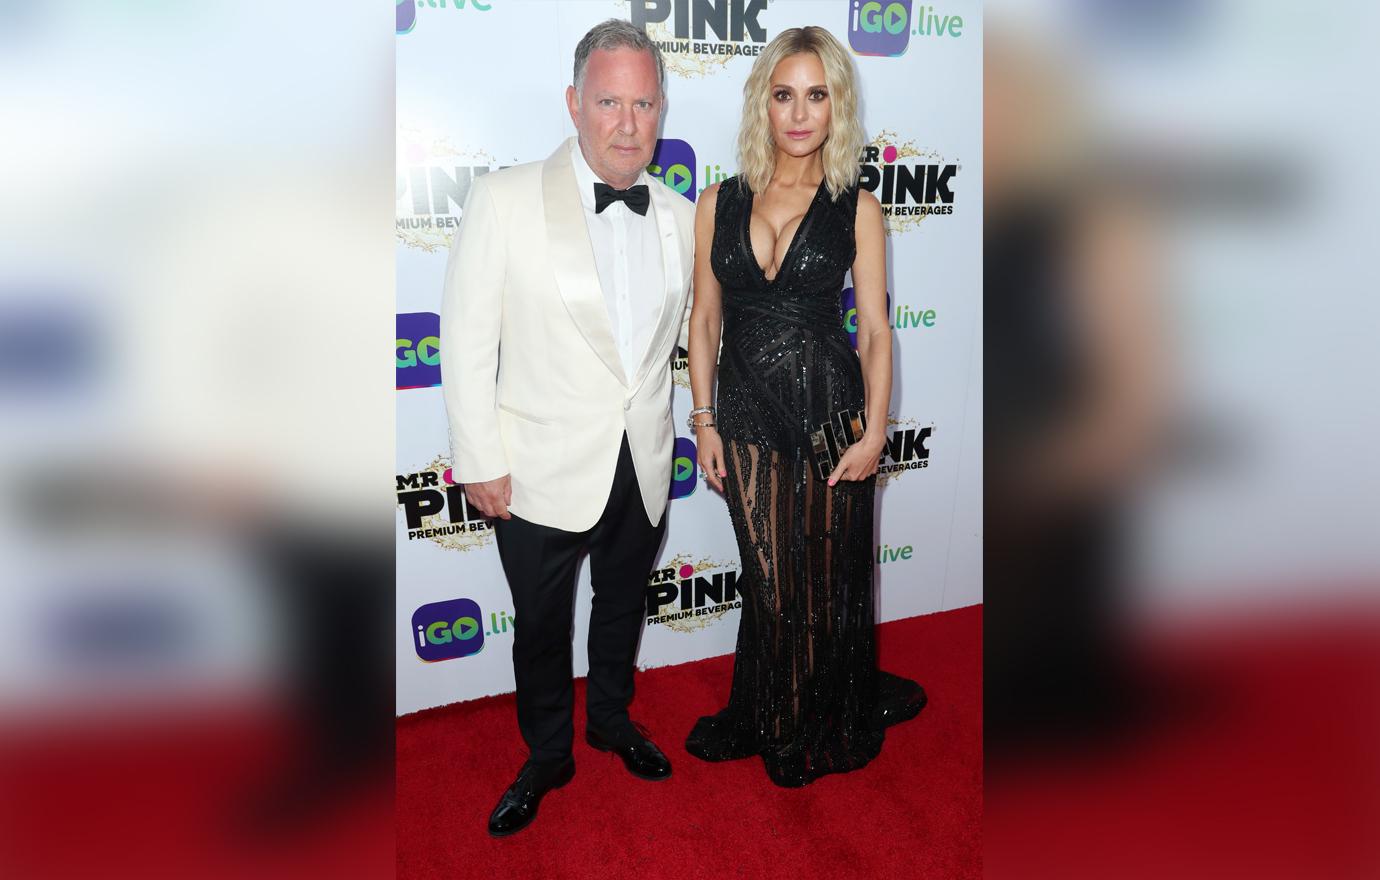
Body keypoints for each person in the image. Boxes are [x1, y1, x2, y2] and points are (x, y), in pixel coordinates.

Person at [439, 19, 695, 836]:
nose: (628, 123)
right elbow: (467, 339)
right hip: (535, 467)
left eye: (644, 103)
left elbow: (701, 338)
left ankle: (611, 719)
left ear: (661, 109)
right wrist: (478, 457)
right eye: (609, 102)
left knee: (621, 608)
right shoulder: (505, 198)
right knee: (542, 630)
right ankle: (548, 751)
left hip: (643, 458)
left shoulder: (684, 215)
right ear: (573, 104)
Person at [683, 26, 924, 788]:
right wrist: (702, 418)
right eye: (784, 94)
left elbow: (879, 331)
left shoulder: (857, 206)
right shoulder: (717, 200)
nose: (798, 113)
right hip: (747, 412)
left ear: (836, 107)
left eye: (816, 96)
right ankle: (775, 714)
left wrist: (877, 429)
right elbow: (705, 318)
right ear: (765, 103)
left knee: (824, 575)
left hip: (831, 409)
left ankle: (812, 717)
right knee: (771, 580)